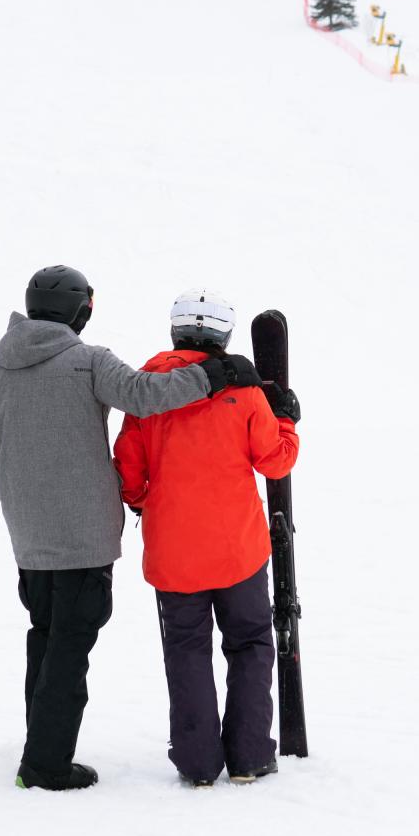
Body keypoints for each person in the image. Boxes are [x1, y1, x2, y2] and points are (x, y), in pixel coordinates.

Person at [0, 267, 262, 792]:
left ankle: (39, 747)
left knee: (45, 638)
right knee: (69, 648)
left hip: (28, 539)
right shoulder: (87, 361)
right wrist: (215, 376)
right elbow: (144, 395)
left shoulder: (0, 376)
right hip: (84, 537)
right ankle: (45, 765)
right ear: (80, 311)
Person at [112, 289, 300, 788]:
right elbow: (275, 461)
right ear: (224, 336)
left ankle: (198, 764)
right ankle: (251, 755)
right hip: (239, 548)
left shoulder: (146, 388)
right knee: (251, 644)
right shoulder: (245, 392)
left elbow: (128, 467)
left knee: (186, 651)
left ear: (175, 331)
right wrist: (287, 421)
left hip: (174, 552)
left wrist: (142, 502)